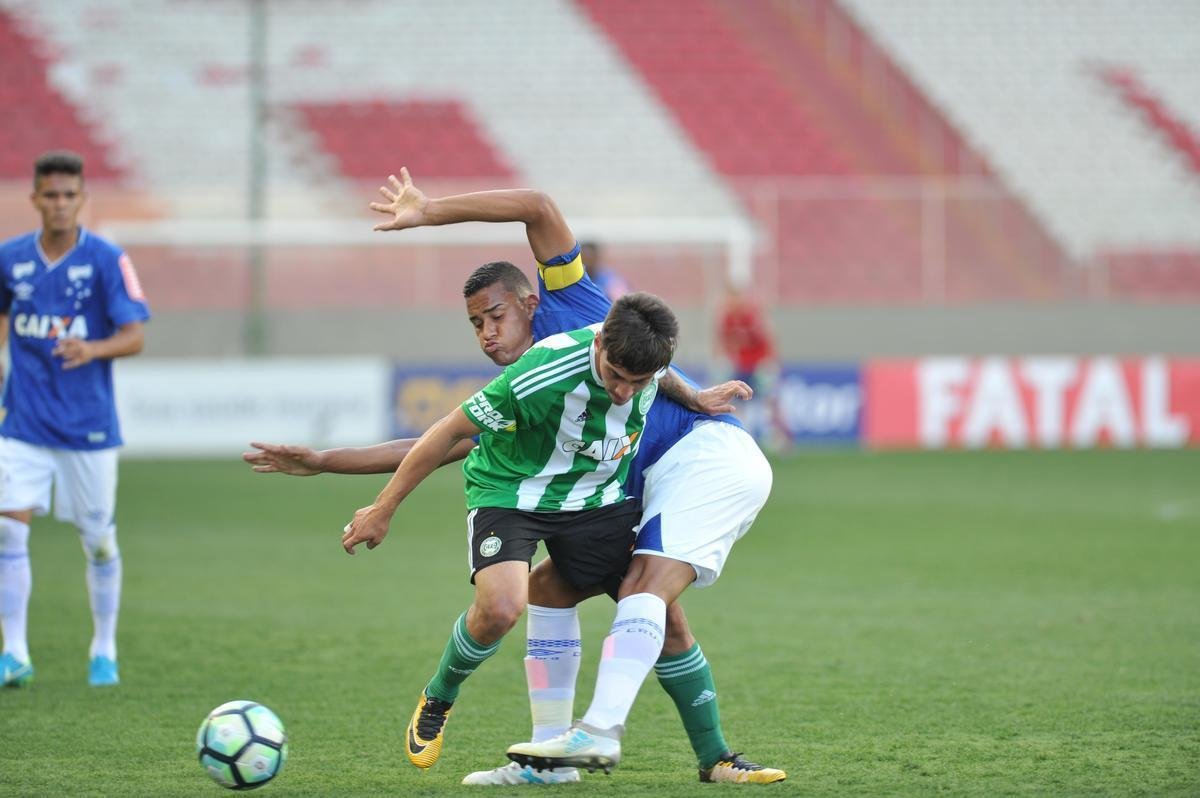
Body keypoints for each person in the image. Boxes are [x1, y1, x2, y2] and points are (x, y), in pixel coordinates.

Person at [245, 169, 784, 784]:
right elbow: (439, 438)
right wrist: (326, 462)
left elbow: (537, 205)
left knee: (652, 608)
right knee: (542, 597)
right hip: (558, 496)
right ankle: (543, 750)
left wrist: (427, 212)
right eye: (476, 324)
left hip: (649, 477)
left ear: (529, 303)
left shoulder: (577, 308)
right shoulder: (526, 383)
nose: (487, 333)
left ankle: (673, 750)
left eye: (495, 316)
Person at [338, 289, 679, 774]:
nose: (624, 391)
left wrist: (698, 396)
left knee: (666, 612)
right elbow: (448, 430)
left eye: (637, 382)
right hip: (510, 491)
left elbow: (664, 380)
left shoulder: (648, 360)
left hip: (590, 497)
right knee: (500, 609)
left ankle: (717, 756)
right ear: (600, 343)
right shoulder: (543, 371)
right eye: (616, 377)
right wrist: (383, 506)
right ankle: (439, 695)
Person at [0, 151, 150, 688]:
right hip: (23, 424)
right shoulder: (10, 258)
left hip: (88, 431)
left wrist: (92, 349)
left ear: (81, 199)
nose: (60, 204)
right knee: (7, 529)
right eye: (51, 195)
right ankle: (14, 651)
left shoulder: (108, 259)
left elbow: (135, 336)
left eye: (69, 195)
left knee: (98, 541)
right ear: (35, 198)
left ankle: (103, 647)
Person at [717, 282, 788, 450]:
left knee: (769, 399)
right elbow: (725, 342)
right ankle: (743, 436)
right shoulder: (727, 318)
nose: (731, 301)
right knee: (738, 401)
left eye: (734, 297)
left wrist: (771, 362)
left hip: (759, 363)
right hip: (741, 365)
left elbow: (766, 338)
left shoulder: (751, 315)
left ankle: (781, 436)